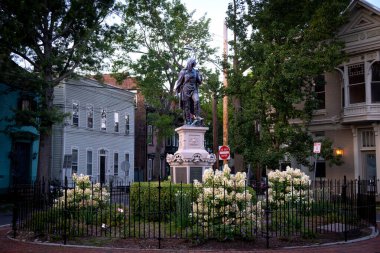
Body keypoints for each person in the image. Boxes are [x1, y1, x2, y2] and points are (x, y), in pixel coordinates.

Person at [175, 58, 203, 125]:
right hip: (185, 90)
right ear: (189, 64)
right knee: (186, 106)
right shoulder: (183, 71)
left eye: (194, 64)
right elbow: (179, 82)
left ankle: (197, 116)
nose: (193, 66)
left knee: (197, 100)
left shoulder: (195, 72)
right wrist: (176, 92)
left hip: (194, 89)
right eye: (192, 64)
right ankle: (188, 120)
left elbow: (199, 82)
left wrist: (200, 76)